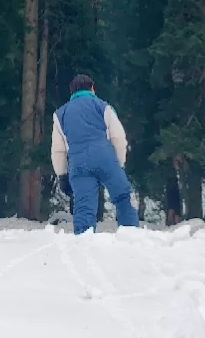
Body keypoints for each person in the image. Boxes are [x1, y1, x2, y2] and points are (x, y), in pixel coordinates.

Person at [51, 73, 140, 235]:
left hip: (79, 164)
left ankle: (83, 241)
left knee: (84, 207)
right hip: (105, 158)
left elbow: (58, 150)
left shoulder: (60, 114)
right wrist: (118, 164)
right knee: (123, 196)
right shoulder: (103, 106)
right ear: (92, 88)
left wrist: (62, 175)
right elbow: (118, 137)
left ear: (72, 92)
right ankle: (131, 234)